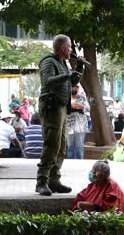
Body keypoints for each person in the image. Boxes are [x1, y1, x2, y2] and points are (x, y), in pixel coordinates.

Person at [35, 34, 84, 196]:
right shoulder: (49, 61)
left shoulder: (63, 63)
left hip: (62, 108)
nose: (71, 50)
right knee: (52, 144)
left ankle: (54, 180)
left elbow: (72, 83)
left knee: (62, 146)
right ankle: (41, 181)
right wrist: (67, 75)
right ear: (63, 48)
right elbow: (47, 81)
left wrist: (79, 68)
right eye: (70, 46)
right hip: (51, 107)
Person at [66, 84, 89, 159]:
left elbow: (88, 108)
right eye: (73, 87)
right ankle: (69, 161)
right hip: (69, 124)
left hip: (81, 124)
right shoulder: (66, 98)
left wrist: (80, 106)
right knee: (70, 145)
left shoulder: (82, 97)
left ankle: (80, 160)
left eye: (76, 87)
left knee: (79, 145)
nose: (75, 89)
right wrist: (70, 106)